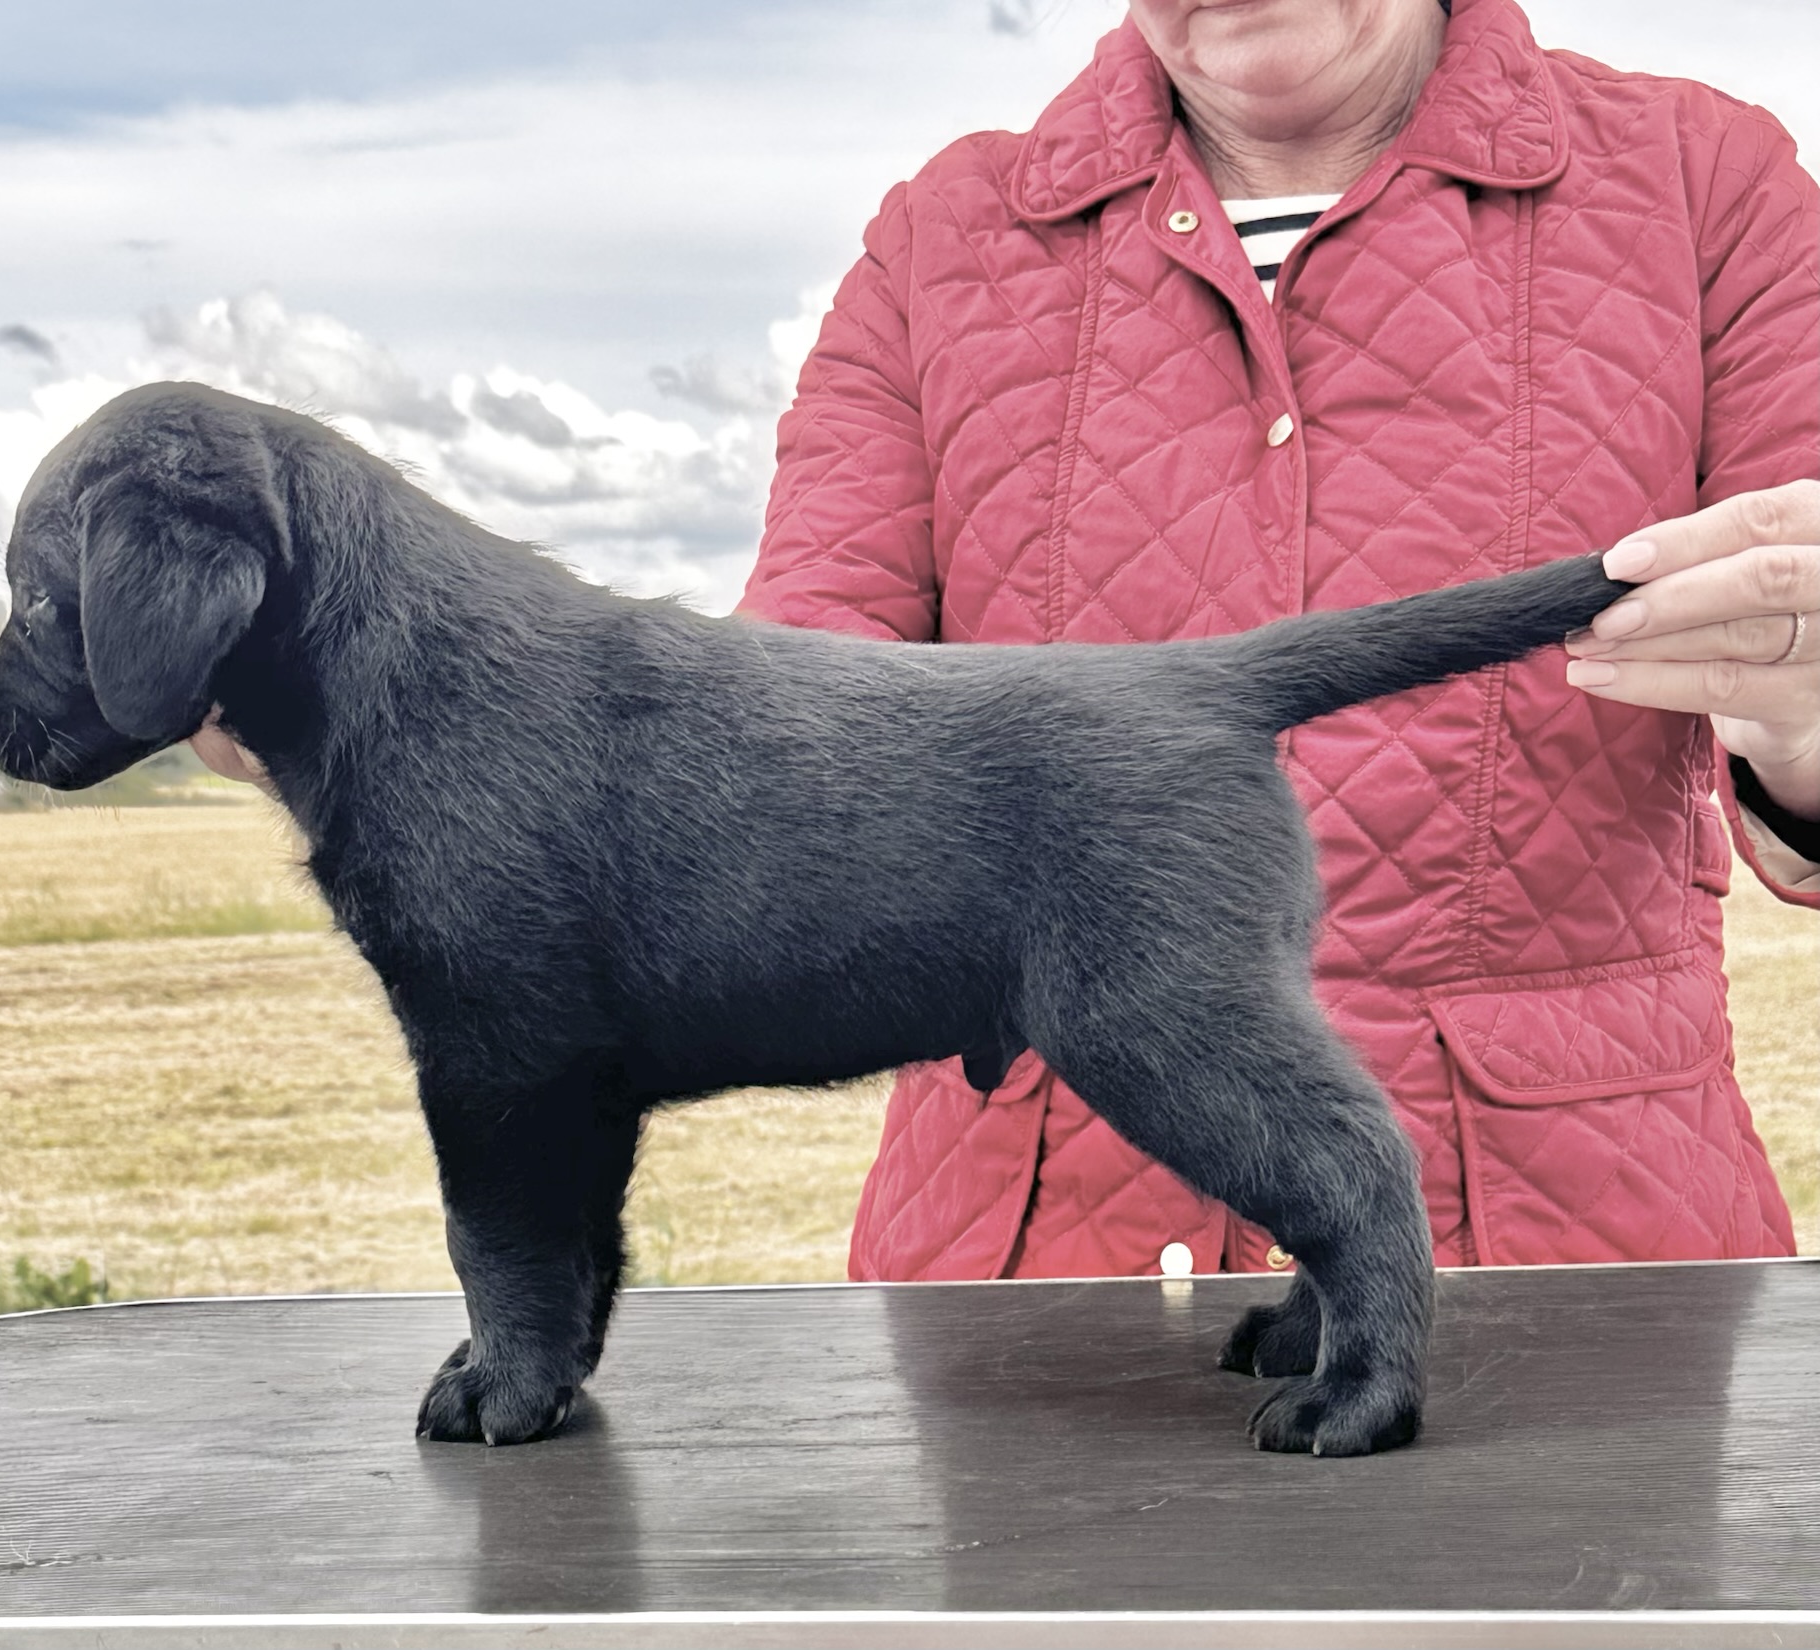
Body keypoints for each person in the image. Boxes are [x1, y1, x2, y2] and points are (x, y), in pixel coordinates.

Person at [736, 0, 1820, 1281]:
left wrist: (1802, 726)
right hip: (1022, 1279)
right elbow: (779, 743)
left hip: (1576, 1259)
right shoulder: (937, 238)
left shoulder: (1705, 185)